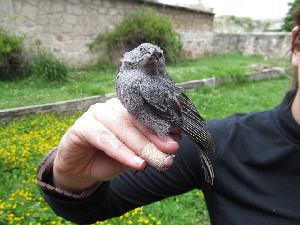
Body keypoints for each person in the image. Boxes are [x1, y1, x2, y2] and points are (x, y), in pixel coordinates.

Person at [37, 11, 300, 225]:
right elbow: (93, 208)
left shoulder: (154, 86)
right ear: (296, 46)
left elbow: (184, 116)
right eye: (143, 52)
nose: (150, 57)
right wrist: (70, 175)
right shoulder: (228, 142)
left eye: (157, 56)